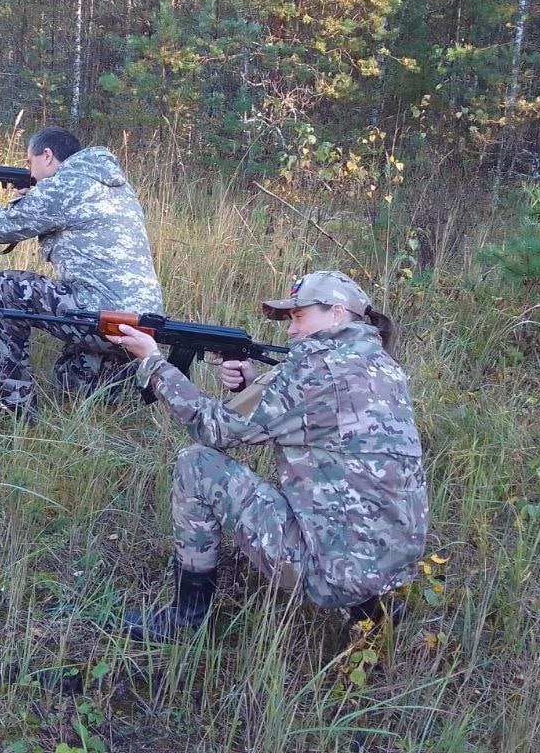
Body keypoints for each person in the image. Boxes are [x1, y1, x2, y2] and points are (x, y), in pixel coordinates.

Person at [106, 271, 428, 644]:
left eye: (299, 316)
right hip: (393, 566)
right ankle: (374, 609)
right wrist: (252, 384)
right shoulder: (385, 368)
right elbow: (315, 427)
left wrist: (154, 363)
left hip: (332, 576)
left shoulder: (312, 370)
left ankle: (187, 620)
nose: (290, 331)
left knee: (197, 464)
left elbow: (214, 430)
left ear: (337, 314)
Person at [0, 126, 165, 417]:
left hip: (103, 316)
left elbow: (0, 228)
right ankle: (118, 392)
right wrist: (34, 196)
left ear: (47, 155)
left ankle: (14, 409)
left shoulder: (63, 186)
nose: (30, 170)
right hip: (144, 326)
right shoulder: (116, 186)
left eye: (30, 161)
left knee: (4, 287)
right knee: (70, 379)